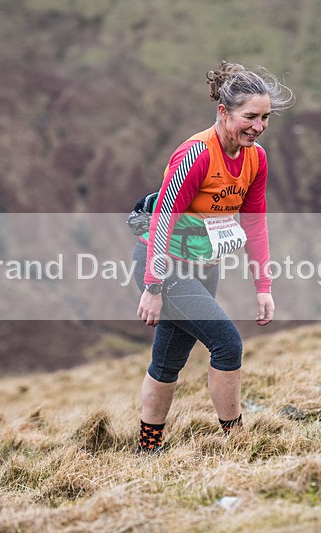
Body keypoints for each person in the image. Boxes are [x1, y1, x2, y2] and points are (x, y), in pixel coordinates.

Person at [132, 61, 293, 453]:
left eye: (265, 117)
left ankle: (147, 449)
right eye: (249, 116)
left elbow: (255, 223)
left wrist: (264, 287)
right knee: (227, 344)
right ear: (224, 112)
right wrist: (153, 286)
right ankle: (236, 442)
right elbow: (163, 218)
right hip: (165, 266)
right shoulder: (197, 155)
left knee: (168, 361)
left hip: (205, 267)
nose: (258, 126)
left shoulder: (256, 158)